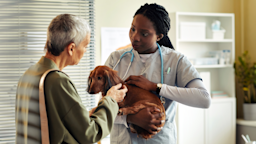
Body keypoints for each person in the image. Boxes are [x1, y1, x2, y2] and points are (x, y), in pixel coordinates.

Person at [104, 3, 211, 144]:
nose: (135, 37)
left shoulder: (176, 60)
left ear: (159, 36)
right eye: (133, 29)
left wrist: (156, 87)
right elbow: (103, 107)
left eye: (144, 33)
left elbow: (204, 99)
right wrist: (129, 118)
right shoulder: (116, 59)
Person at [15, 14, 128, 144]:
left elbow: (50, 121)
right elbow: (90, 133)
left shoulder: (29, 74)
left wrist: (85, 116)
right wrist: (111, 100)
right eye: (85, 46)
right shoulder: (57, 81)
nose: (86, 51)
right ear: (71, 48)